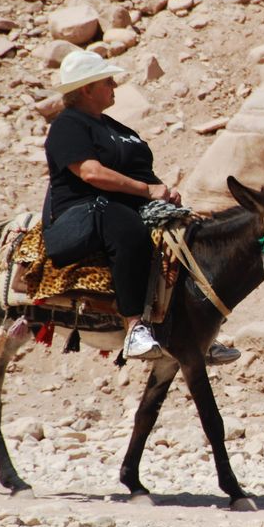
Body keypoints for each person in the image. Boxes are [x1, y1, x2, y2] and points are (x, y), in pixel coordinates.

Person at [45, 50, 179, 360]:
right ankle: (134, 327)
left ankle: (190, 325)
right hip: (81, 214)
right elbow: (91, 173)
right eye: (107, 82)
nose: (114, 86)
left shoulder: (120, 131)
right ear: (86, 89)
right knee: (123, 223)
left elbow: (145, 174)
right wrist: (146, 190)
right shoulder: (68, 125)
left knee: (189, 232)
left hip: (122, 206)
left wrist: (167, 194)